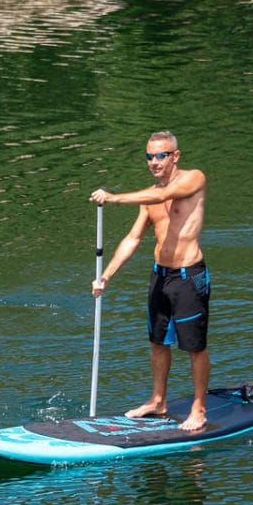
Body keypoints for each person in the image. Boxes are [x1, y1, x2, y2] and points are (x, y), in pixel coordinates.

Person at [89, 131, 212, 431]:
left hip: (188, 276)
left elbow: (164, 195)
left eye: (161, 156)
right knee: (157, 343)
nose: (154, 162)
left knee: (194, 347)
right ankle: (158, 400)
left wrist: (114, 197)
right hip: (160, 276)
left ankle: (199, 408)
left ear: (175, 156)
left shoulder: (194, 179)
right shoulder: (148, 199)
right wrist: (106, 276)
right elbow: (133, 238)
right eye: (149, 157)